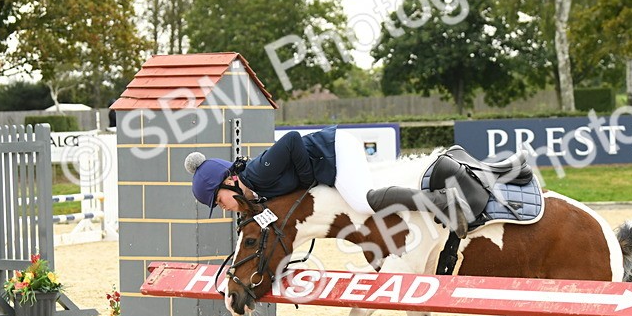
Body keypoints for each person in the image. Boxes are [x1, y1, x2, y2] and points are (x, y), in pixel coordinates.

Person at [184, 126, 469, 236]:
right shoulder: (256, 192)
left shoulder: (257, 173)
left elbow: (292, 139)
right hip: (332, 154)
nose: (222, 207)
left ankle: (440, 202)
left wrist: (308, 179)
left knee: (361, 200)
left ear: (231, 181)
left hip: (336, 149)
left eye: (218, 201)